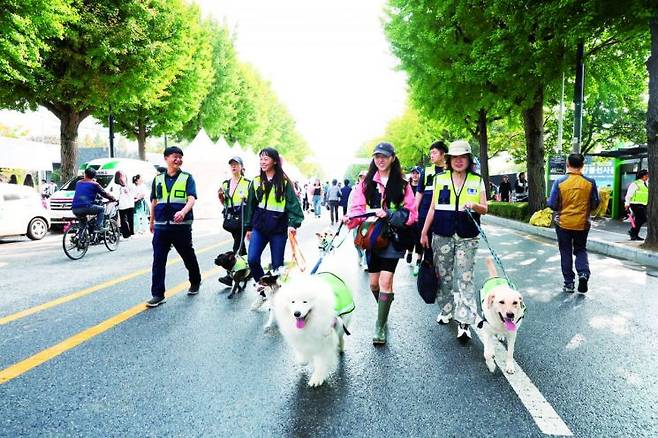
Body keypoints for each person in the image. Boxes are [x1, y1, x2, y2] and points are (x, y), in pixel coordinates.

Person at [344, 142, 417, 345]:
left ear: (393, 158)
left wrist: (390, 214)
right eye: (377, 156)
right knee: (374, 284)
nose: (380, 160)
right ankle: (384, 309)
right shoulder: (365, 184)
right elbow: (358, 209)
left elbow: (411, 214)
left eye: (384, 156)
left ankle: (380, 325)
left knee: (385, 282)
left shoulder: (403, 185)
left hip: (392, 239)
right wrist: (349, 219)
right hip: (372, 239)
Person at [420, 140, 488, 341]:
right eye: (455, 157)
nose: (459, 161)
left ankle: (465, 320)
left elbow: (485, 208)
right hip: (442, 233)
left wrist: (474, 205)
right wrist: (424, 232)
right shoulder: (439, 179)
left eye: (463, 157)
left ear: (468, 159)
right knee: (444, 275)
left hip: (468, 235)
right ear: (449, 160)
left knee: (465, 277)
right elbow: (432, 208)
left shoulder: (477, 180)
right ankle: (447, 309)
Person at [147, 146, 202, 307]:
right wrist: (151, 222)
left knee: (187, 255)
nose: (178, 160)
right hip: (161, 226)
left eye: (180, 157)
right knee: (158, 261)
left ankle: (195, 281)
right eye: (175, 157)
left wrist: (183, 212)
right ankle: (158, 294)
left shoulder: (187, 178)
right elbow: (154, 201)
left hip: (181, 226)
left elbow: (191, 199)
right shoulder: (157, 180)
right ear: (166, 158)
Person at [244, 147, 304, 283]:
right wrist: (248, 227)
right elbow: (250, 206)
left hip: (278, 230)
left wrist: (293, 224)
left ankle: (276, 297)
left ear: (275, 161)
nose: (262, 162)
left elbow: (294, 207)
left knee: (277, 267)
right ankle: (264, 288)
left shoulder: (284, 182)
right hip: (259, 228)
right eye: (260, 159)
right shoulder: (256, 181)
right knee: (252, 259)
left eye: (266, 159)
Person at [547, 153, 599, 294]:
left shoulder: (560, 182)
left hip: (563, 223)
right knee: (581, 249)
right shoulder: (590, 182)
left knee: (565, 252)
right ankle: (583, 273)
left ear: (567, 164)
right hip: (582, 224)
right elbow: (595, 204)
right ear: (582, 165)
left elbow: (552, 204)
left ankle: (569, 284)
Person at [415, 141, 448, 275]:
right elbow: (419, 193)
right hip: (424, 214)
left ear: (443, 154)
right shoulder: (426, 171)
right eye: (430, 154)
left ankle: (442, 271)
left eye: (434, 153)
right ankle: (427, 271)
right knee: (426, 243)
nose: (431, 156)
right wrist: (414, 212)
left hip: (443, 214)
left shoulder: (451, 170)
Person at [218, 157, 251, 286]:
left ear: (242, 167)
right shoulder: (225, 183)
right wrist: (221, 197)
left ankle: (230, 276)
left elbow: (251, 203)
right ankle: (246, 270)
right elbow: (224, 203)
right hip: (231, 219)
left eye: (236, 164)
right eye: (231, 164)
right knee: (241, 247)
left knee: (236, 247)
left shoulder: (247, 183)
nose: (233, 167)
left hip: (243, 218)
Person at [71, 167, 117, 232]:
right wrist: (113, 198)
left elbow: (84, 192)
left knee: (83, 224)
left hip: (75, 208)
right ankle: (98, 227)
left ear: (85, 174)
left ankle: (80, 239)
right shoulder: (95, 184)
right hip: (86, 207)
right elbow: (104, 194)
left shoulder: (78, 183)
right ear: (94, 176)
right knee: (101, 209)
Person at [406, 166, 423, 272]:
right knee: (410, 237)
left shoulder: (422, 187)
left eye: (417, 173)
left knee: (420, 239)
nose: (415, 175)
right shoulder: (406, 187)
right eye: (413, 173)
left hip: (421, 216)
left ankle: (419, 260)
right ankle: (410, 252)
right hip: (409, 216)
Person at [625, 169, 649, 241]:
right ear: (643, 176)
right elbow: (629, 194)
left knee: (639, 219)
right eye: (647, 175)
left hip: (643, 204)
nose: (648, 177)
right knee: (642, 218)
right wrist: (627, 203)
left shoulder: (646, 184)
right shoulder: (635, 184)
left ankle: (634, 234)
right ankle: (632, 232)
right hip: (635, 204)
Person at [113, 171, 135, 239]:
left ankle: (130, 233)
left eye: (124, 176)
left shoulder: (128, 185)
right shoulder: (117, 186)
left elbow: (133, 193)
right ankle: (127, 234)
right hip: (123, 205)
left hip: (129, 204)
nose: (123, 178)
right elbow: (116, 195)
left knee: (129, 219)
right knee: (124, 220)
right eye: (121, 176)